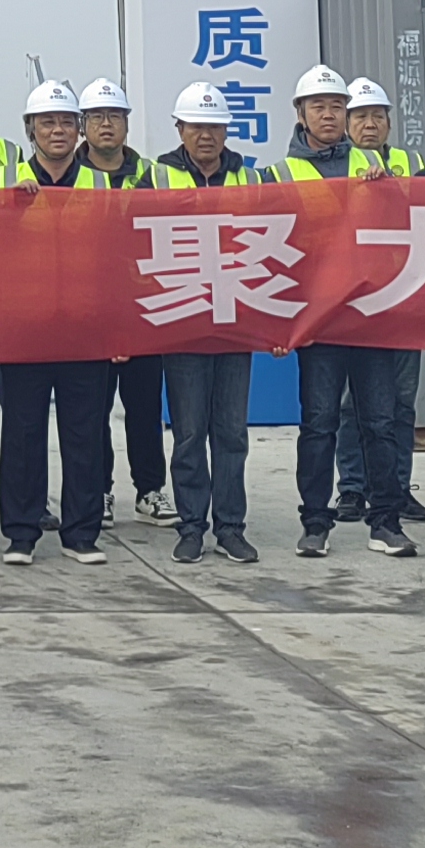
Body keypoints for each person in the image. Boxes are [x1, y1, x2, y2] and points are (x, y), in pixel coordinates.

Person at [282, 66, 415, 560]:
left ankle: (386, 523)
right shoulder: (281, 175)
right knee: (319, 425)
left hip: (370, 317)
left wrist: (389, 191)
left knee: (380, 422)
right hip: (319, 323)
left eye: (337, 106)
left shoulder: (377, 167)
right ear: (300, 114)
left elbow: (409, 230)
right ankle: (315, 523)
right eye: (318, 107)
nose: (329, 115)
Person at [0, 80, 116, 566]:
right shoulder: (7, 183)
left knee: (84, 433)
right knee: (22, 433)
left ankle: (81, 533)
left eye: (66, 122)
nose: (58, 131)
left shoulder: (100, 185)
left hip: (85, 329)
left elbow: (118, 257)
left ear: (79, 130)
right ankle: (21, 533)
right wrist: (9, 209)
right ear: (31, 129)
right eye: (47, 123)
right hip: (26, 330)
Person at [157, 84, 269, 563]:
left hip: (234, 320)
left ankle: (230, 527)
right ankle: (190, 527)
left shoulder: (252, 179)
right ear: (179, 129)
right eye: (196, 126)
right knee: (188, 434)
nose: (206, 135)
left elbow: (276, 244)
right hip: (183, 321)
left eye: (215, 127)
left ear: (227, 130)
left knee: (231, 432)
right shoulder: (156, 177)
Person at [78, 79, 178, 524]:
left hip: (142, 309)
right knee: (92, 410)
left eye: (114, 116)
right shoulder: (69, 178)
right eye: (97, 117)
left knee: (144, 408)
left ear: (126, 124)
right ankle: (98, 490)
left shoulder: (154, 176)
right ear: (84, 125)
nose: (106, 124)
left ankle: (150, 490)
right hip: (91, 311)